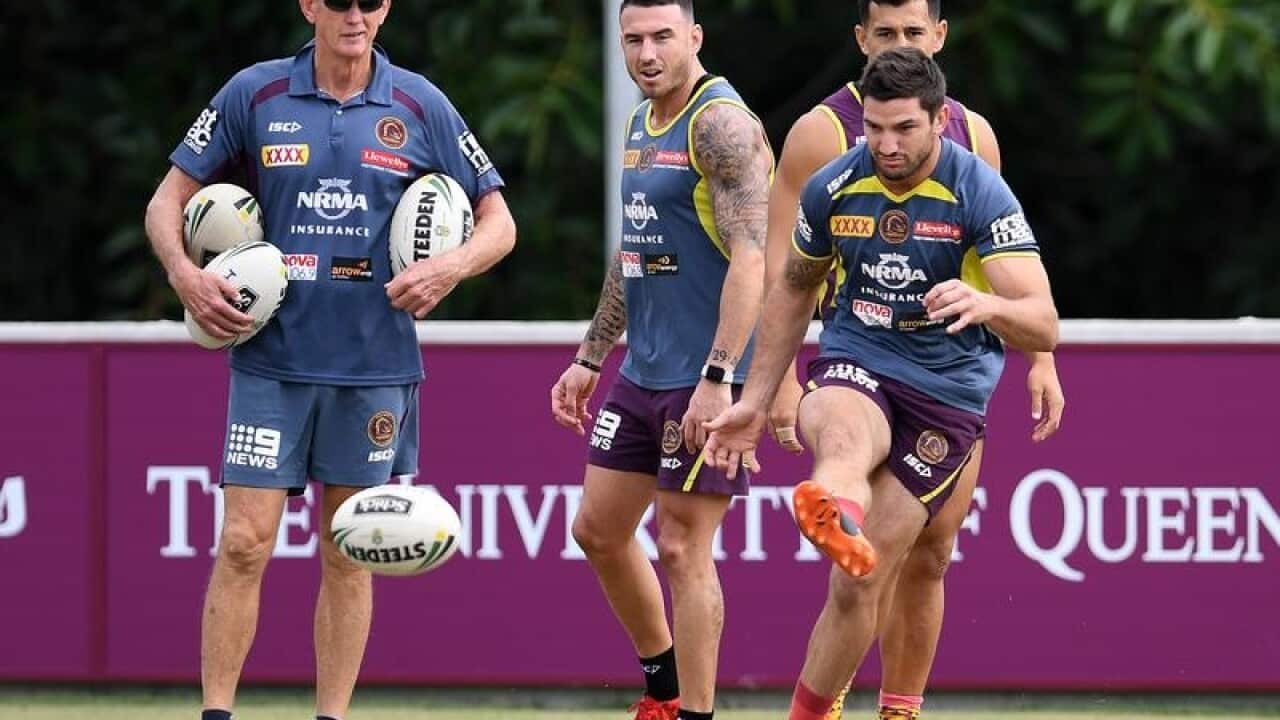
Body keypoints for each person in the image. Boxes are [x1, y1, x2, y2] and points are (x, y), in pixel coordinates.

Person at [143, 2, 516, 718]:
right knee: (245, 543)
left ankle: (331, 716)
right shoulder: (254, 93)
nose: (354, 14)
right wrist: (185, 277)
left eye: (369, 1)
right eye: (338, 0)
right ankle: (217, 713)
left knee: (350, 552)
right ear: (309, 5)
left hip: (374, 367)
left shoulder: (419, 103)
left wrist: (450, 268)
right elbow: (167, 202)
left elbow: (501, 221)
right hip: (271, 361)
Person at [703, 47, 1059, 720]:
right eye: (874, 129)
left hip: (948, 393)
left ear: (939, 119)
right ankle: (835, 510)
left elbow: (1044, 324)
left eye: (904, 129)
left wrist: (992, 307)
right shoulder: (833, 185)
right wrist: (753, 399)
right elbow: (792, 293)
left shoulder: (977, 188)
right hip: (858, 356)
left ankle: (893, 703)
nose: (887, 146)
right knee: (842, 430)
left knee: (859, 582)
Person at [549, 2, 772, 719]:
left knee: (681, 546)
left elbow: (753, 258)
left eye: (662, 38)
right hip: (641, 372)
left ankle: (694, 715)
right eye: (634, 40)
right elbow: (635, 249)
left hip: (702, 375)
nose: (646, 54)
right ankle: (664, 691)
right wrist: (590, 353)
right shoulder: (640, 123)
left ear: (694, 38)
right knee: (597, 531)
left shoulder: (720, 124)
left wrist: (720, 378)